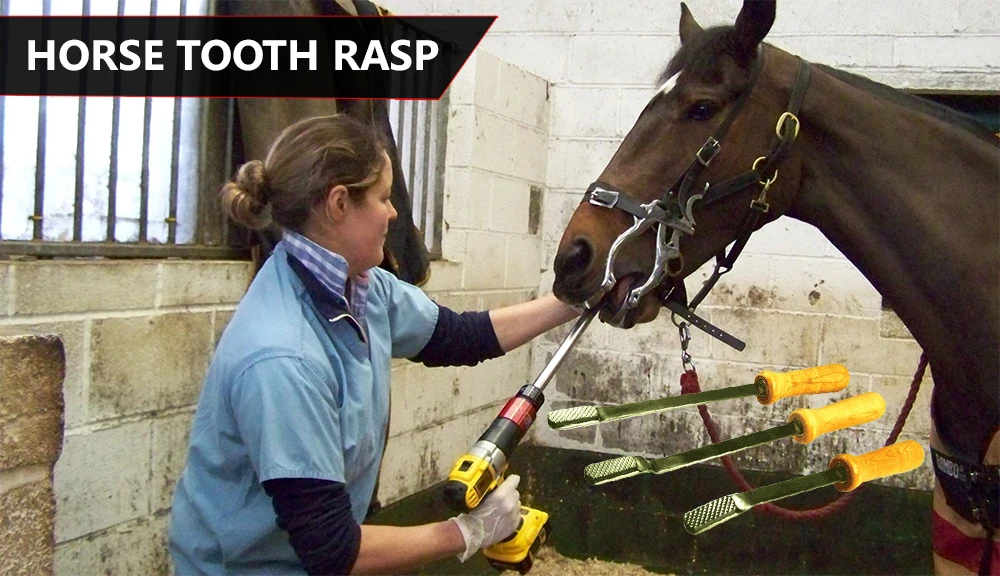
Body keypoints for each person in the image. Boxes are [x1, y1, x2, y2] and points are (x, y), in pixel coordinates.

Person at [168, 114, 580, 575]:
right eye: (383, 197)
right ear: (339, 203)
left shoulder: (360, 284)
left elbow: (458, 337)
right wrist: (469, 532)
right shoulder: (284, 357)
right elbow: (334, 552)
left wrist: (574, 301)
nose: (394, 213)